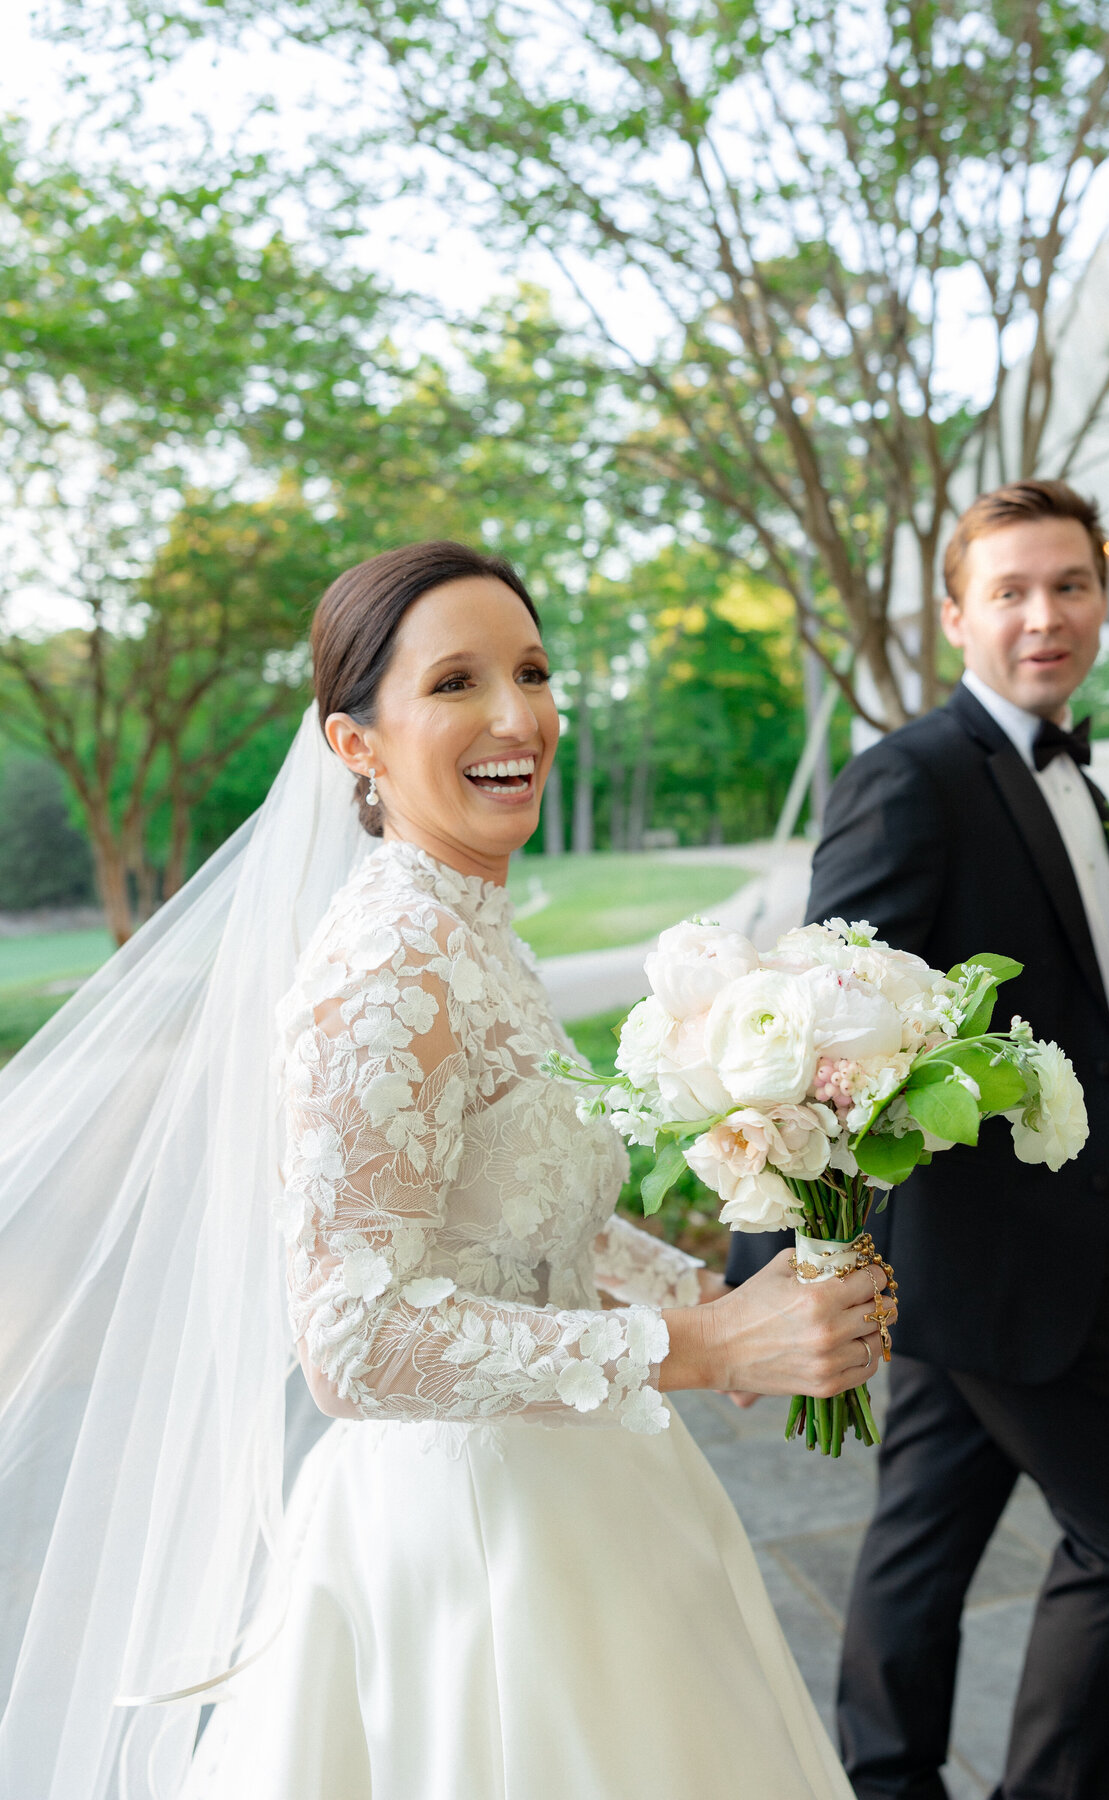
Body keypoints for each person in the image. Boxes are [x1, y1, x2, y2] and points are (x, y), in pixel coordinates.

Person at [0, 541, 882, 1800]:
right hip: (479, 1547)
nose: (517, 714)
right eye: (457, 682)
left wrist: (732, 1302)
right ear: (354, 744)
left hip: (582, 1484)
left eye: (530, 670)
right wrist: (712, 1351)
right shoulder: (386, 969)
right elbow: (352, 1340)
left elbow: (529, 1216)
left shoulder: (464, 921)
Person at [727, 481, 1109, 1800]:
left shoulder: (1080, 782)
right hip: (1006, 1259)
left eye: (1070, 585)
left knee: (923, 1543)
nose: (1045, 616)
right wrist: (766, 1270)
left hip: (1028, 1254)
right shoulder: (910, 780)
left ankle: (883, 1783)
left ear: (1101, 601)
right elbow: (817, 1025)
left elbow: (1107, 1038)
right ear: (957, 618)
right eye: (1011, 591)